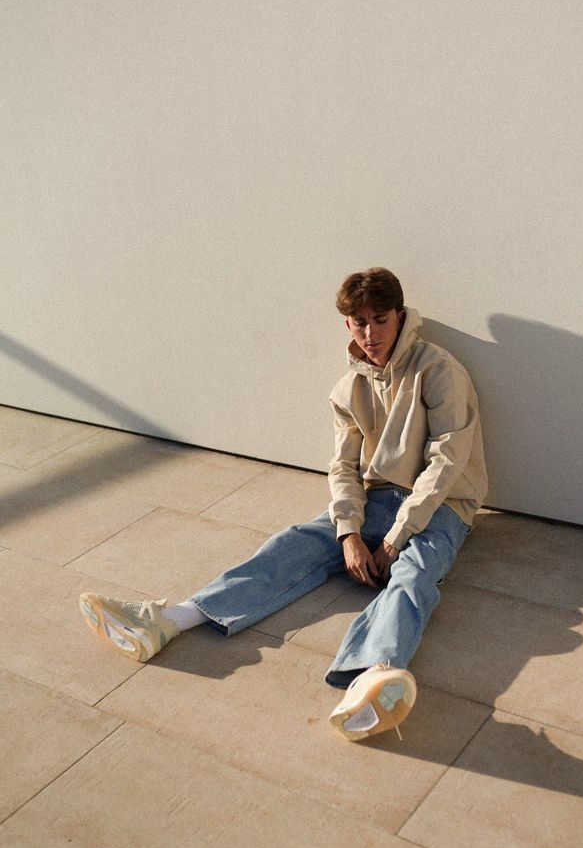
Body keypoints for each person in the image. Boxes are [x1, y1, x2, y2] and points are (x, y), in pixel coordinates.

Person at [79, 268, 487, 740]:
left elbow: (446, 461)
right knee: (296, 542)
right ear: (347, 325)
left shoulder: (437, 370)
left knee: (413, 575)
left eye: (380, 320)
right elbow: (344, 469)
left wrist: (397, 538)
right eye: (360, 323)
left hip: (442, 506)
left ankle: (374, 673)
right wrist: (349, 534)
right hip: (377, 497)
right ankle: (172, 619)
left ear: (400, 317)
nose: (371, 334)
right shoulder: (347, 388)